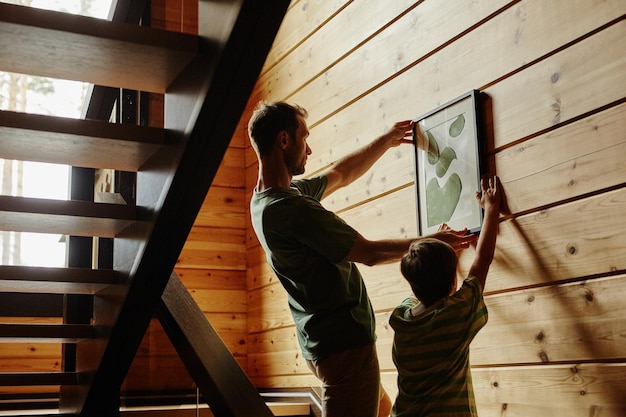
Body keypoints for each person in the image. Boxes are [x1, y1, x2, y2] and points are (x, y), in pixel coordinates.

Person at [248, 101, 477, 417]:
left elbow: (341, 173)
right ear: (283, 140)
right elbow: (370, 253)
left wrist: (386, 139)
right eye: (304, 137)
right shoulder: (292, 210)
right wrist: (433, 242)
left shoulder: (265, 199)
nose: (309, 150)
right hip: (344, 349)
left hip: (326, 345)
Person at [389, 176, 504, 417]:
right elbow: (481, 261)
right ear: (453, 280)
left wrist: (434, 248)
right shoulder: (456, 315)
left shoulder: (401, 318)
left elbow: (421, 284)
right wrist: (492, 209)